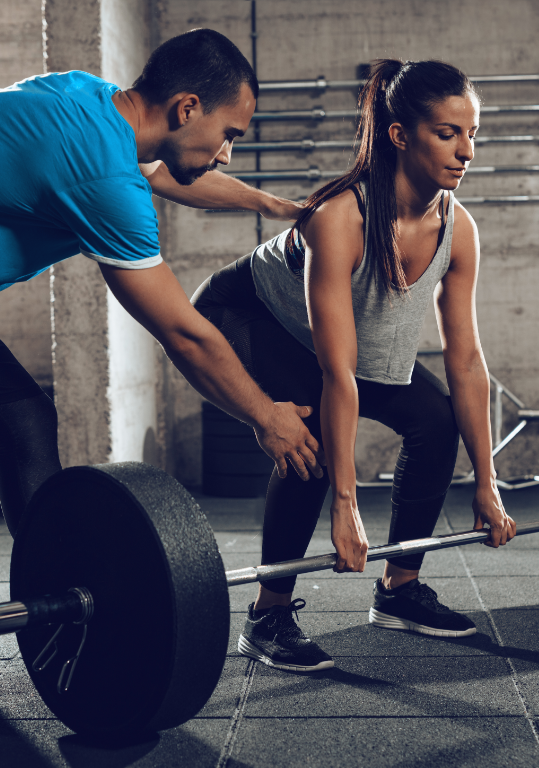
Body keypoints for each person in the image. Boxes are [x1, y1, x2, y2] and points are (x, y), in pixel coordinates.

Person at [0, 29, 324, 740]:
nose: (227, 151)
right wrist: (265, 414)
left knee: (25, 421)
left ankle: (51, 592)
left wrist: (274, 208)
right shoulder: (99, 176)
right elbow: (182, 333)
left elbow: (172, 175)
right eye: (228, 133)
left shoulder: (91, 102)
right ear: (185, 107)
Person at [192, 58, 517, 674]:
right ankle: (268, 615)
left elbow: (467, 361)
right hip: (247, 315)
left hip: (344, 339)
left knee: (437, 421)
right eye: (448, 133)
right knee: (308, 441)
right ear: (400, 135)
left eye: (473, 134)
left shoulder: (458, 227)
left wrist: (487, 482)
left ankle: (398, 590)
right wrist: (346, 502)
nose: (466, 151)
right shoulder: (341, 217)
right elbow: (339, 374)